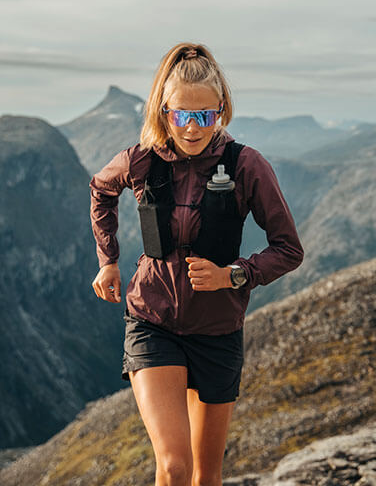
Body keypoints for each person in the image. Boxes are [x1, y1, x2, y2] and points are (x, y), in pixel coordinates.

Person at [89, 42, 303, 486]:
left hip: (217, 330)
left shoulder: (246, 166)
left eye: (204, 116)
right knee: (174, 466)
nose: (191, 128)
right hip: (152, 319)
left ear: (221, 111)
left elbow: (288, 248)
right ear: (164, 111)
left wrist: (233, 274)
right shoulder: (141, 161)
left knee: (206, 476)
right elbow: (101, 190)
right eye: (180, 115)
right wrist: (108, 260)